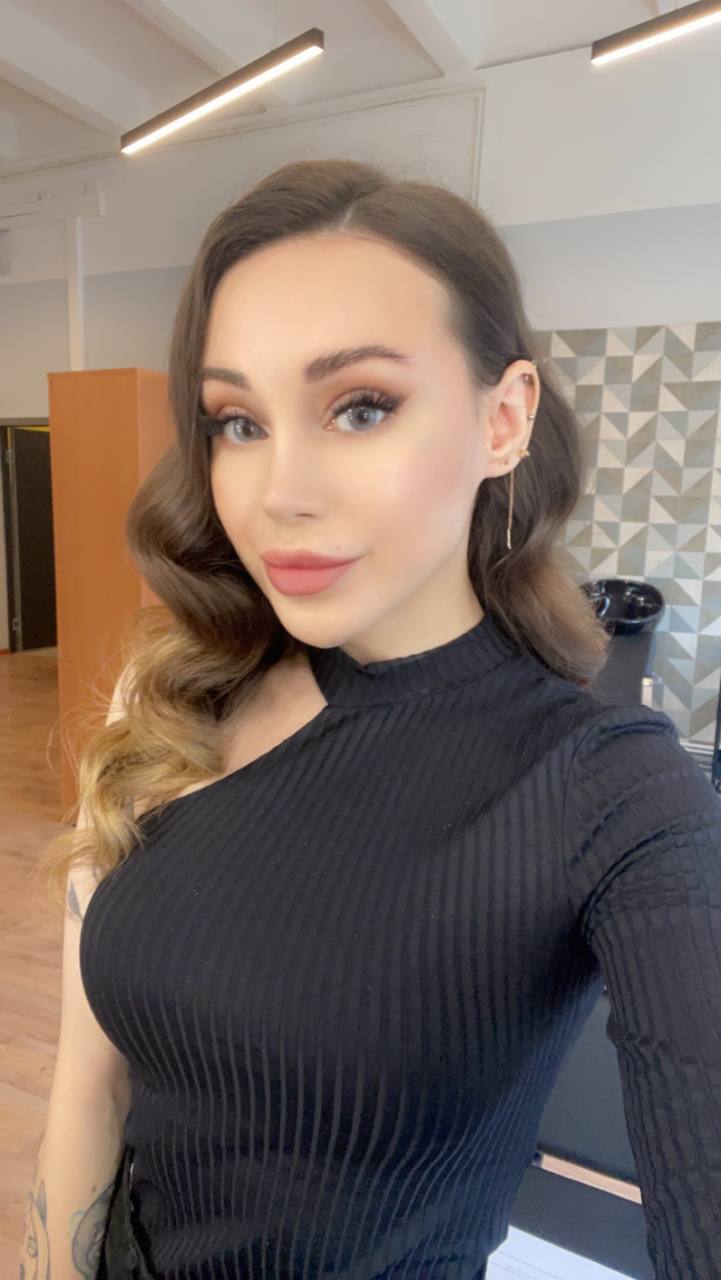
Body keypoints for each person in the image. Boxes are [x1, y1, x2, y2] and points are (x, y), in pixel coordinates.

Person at [22, 158, 721, 1280]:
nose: (278, 492)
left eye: (360, 407)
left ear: (504, 419)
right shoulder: (176, 694)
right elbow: (88, 1089)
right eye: (237, 421)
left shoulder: (612, 790)